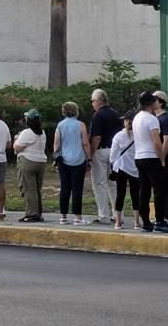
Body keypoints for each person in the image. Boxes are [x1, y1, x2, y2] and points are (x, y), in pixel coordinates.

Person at [133, 91, 168, 233]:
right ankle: (159, 220)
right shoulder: (152, 119)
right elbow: (157, 143)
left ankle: (145, 221)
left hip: (139, 156)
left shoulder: (137, 118)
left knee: (144, 190)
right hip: (151, 157)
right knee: (159, 190)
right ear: (151, 103)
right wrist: (162, 159)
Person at [53, 102, 91, 226]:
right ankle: (77, 217)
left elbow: (57, 143)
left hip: (64, 160)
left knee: (64, 188)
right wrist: (89, 158)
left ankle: (63, 216)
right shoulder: (81, 125)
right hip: (78, 160)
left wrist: (56, 156)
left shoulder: (60, 125)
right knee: (77, 189)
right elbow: (85, 143)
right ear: (76, 111)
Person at [89, 89, 122, 225]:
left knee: (99, 184)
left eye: (93, 101)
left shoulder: (98, 115)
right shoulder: (115, 114)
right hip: (114, 151)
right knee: (113, 183)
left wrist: (90, 154)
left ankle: (103, 216)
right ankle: (118, 214)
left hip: (101, 151)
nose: (92, 104)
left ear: (98, 101)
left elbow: (96, 137)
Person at [14, 108, 47, 223]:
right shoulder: (42, 132)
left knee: (28, 188)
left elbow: (17, 148)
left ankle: (32, 214)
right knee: (37, 189)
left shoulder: (26, 133)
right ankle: (38, 212)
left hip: (28, 161)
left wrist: (16, 139)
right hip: (41, 162)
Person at [109, 110, 141, 230]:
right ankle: (137, 222)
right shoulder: (139, 135)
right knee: (135, 195)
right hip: (135, 169)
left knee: (120, 194)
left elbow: (112, 156)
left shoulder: (118, 136)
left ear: (126, 121)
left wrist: (113, 162)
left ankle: (118, 222)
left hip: (121, 168)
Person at [153, 91, 168, 224]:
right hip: (159, 158)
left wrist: (161, 158)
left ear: (161, 101)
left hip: (164, 159)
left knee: (165, 187)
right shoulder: (156, 118)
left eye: (154, 99)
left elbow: (167, 141)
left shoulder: (165, 119)